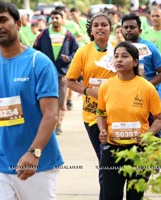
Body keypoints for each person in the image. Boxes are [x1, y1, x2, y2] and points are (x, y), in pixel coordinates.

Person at [0, 2, 63, 199]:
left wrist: (34, 153)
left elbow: (51, 115)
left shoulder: (38, 63)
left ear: (17, 24)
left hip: (38, 164)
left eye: (3, 20)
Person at [97, 41, 161, 200]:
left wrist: (148, 134)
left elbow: (159, 119)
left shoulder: (146, 87)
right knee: (111, 196)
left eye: (124, 56)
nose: (119, 60)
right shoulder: (106, 86)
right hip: (112, 151)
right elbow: (101, 113)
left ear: (135, 62)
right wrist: (102, 130)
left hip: (138, 152)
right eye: (116, 56)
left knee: (135, 196)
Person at [66, 13, 116, 200]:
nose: (100, 28)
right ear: (91, 30)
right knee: (105, 161)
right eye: (96, 25)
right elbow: (69, 81)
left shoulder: (118, 49)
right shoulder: (84, 51)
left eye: (104, 24)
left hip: (117, 115)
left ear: (111, 29)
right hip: (92, 116)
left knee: (112, 162)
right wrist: (89, 91)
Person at [121, 13, 161, 138]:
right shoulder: (118, 50)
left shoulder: (150, 47)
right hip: (126, 101)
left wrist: (145, 86)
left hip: (148, 100)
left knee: (153, 139)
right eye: (125, 27)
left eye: (132, 27)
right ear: (121, 30)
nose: (128, 30)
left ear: (140, 30)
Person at [33, 9, 78, 135]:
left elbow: (76, 51)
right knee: (45, 100)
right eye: (52, 18)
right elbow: (36, 49)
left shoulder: (68, 35)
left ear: (62, 20)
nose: (54, 20)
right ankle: (48, 125)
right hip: (46, 74)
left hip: (62, 74)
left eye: (57, 18)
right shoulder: (44, 34)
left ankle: (58, 125)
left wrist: (68, 58)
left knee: (61, 102)